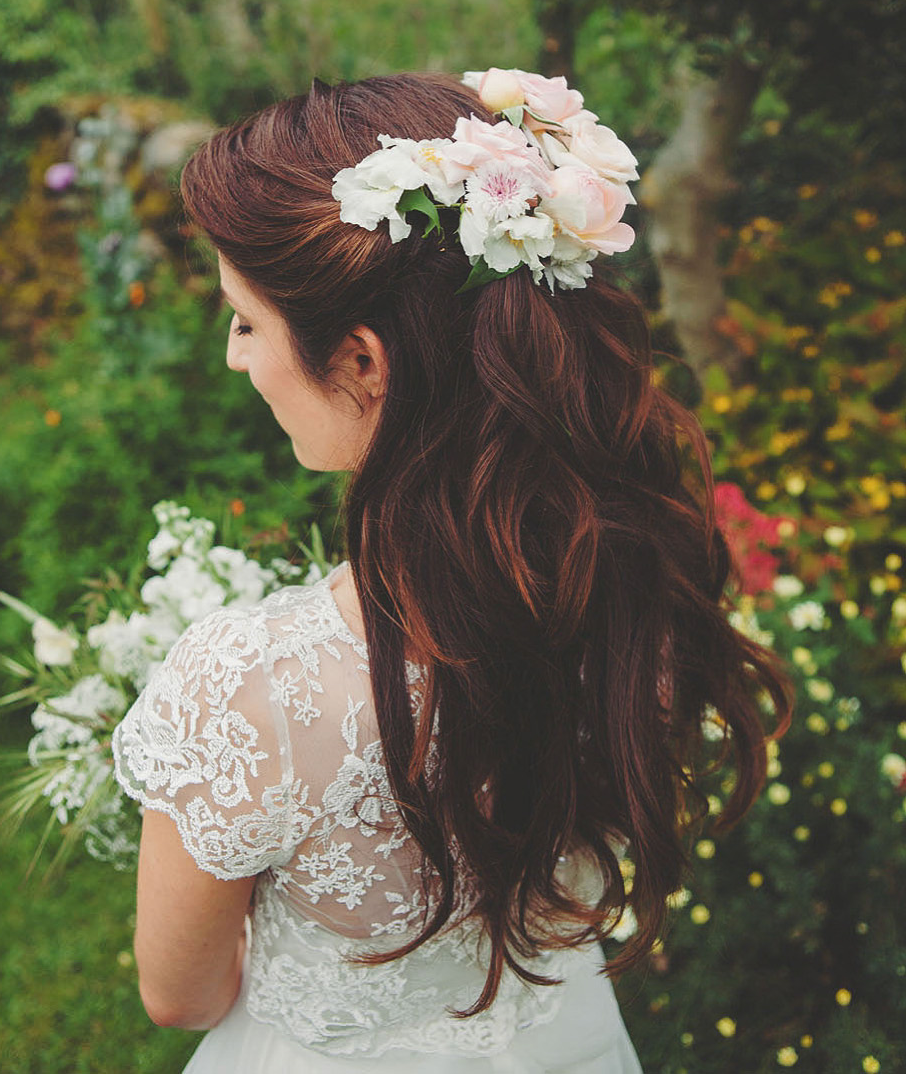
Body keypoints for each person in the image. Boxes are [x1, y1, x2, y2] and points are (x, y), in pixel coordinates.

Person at [112, 69, 791, 1073]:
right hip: (561, 1034)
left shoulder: (245, 686)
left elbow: (183, 993)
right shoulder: (621, 567)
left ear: (362, 363)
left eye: (246, 321)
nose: (232, 356)